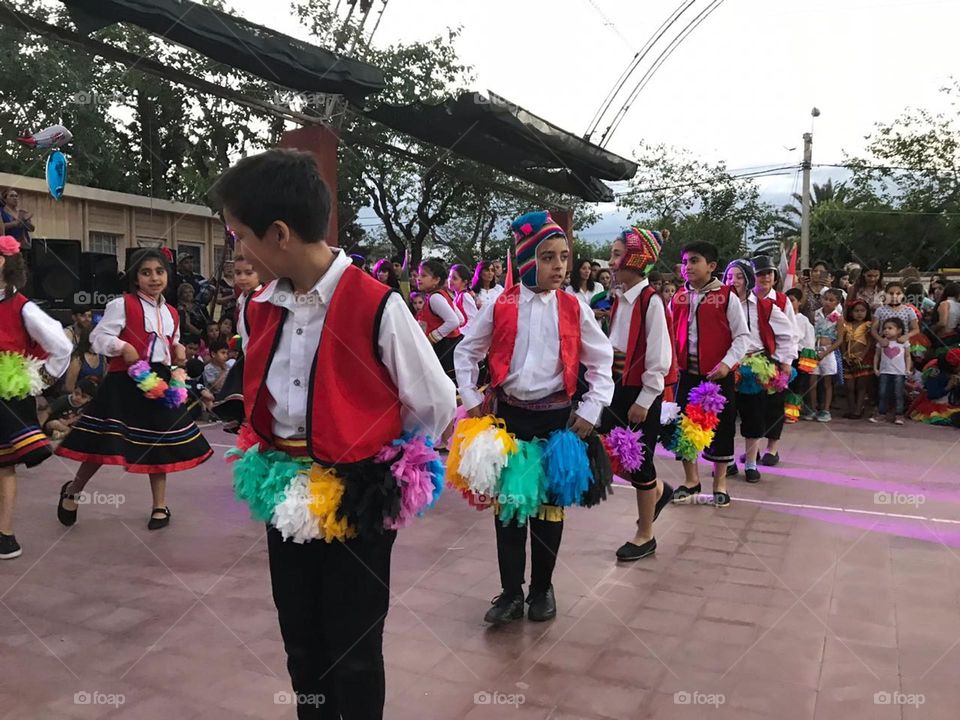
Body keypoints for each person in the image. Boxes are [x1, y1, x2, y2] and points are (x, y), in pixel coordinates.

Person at [212, 148, 456, 720]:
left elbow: (437, 402)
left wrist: (381, 461)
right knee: (301, 641)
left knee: (355, 648)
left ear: (277, 234)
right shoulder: (259, 307)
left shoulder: (377, 305)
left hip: (358, 496)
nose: (237, 251)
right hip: (283, 489)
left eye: (239, 236)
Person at [454, 210, 614, 625]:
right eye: (547, 257)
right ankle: (510, 592)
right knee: (509, 510)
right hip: (508, 420)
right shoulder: (499, 304)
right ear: (527, 260)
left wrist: (592, 407)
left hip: (556, 423)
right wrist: (471, 398)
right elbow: (466, 350)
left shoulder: (574, 306)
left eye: (563, 256)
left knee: (548, 511)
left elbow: (602, 360)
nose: (559, 266)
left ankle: (542, 589)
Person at [55, 249, 213, 530]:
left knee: (159, 443)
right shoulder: (122, 305)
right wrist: (123, 347)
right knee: (103, 444)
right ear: (135, 278)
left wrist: (176, 349)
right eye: (146, 272)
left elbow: (170, 341)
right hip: (124, 382)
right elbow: (98, 337)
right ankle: (74, 489)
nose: (154, 278)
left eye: (159, 271)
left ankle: (159, 506)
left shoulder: (172, 312)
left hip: (160, 382)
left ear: (168, 275)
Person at [602, 228, 675, 560]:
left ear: (635, 259)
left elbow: (659, 358)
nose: (611, 262)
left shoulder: (651, 302)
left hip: (639, 393)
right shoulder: (622, 299)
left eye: (617, 254)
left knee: (640, 461)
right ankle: (660, 492)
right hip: (617, 388)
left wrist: (645, 400)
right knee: (612, 452)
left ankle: (645, 535)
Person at [0, 235, 72, 559]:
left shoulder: (23, 307)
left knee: (3, 466)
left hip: (6, 395)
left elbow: (62, 346)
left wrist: (38, 379)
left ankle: (5, 535)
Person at [670, 241, 749, 508]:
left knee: (721, 428)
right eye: (685, 261)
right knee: (685, 430)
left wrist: (727, 364)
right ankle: (691, 480)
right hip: (686, 375)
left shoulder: (726, 297)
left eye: (694, 261)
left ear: (712, 266)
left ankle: (720, 483)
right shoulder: (678, 297)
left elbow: (742, 337)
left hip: (717, 376)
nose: (687, 267)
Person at [722, 259, 795, 483]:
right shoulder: (718, 304)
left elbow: (788, 334)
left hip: (755, 367)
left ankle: (752, 463)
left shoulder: (765, 306)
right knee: (725, 417)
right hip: (726, 366)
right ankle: (727, 460)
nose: (734, 281)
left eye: (740, 277)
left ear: (748, 280)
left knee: (753, 416)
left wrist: (785, 361)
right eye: (729, 277)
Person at [749, 254, 799, 465]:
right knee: (753, 407)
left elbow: (791, 333)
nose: (765, 277)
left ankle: (772, 448)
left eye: (768, 273)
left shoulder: (781, 300)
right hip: (752, 360)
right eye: (760, 273)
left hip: (776, 359)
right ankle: (753, 450)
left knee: (774, 405)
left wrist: (787, 361)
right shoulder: (744, 298)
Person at [416, 258, 463, 379]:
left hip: (443, 347)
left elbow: (454, 321)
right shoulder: (443, 295)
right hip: (451, 345)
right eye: (418, 275)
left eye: (424, 275)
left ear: (436, 280)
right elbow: (461, 319)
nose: (418, 279)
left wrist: (433, 337)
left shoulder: (435, 298)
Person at [807, 288, 845, 422]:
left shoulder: (838, 318)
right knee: (812, 380)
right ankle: (812, 408)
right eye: (825, 299)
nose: (827, 302)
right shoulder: (815, 314)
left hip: (828, 351)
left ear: (837, 303)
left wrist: (826, 352)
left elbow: (840, 339)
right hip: (814, 349)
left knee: (827, 382)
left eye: (831, 300)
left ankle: (826, 409)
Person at [871, 317, 912, 424]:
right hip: (885, 371)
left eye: (890, 328)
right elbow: (877, 356)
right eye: (885, 328)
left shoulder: (904, 342)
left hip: (899, 372)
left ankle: (899, 415)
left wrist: (907, 369)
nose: (886, 330)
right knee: (883, 393)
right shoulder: (882, 342)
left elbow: (907, 356)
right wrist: (875, 368)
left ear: (899, 330)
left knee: (898, 393)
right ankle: (881, 414)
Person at [786, 288, 816, 419]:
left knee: (796, 386)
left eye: (792, 300)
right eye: (787, 300)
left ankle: (792, 413)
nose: (789, 303)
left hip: (798, 356)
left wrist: (807, 362)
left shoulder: (802, 320)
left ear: (799, 303)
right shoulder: (782, 317)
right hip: (784, 356)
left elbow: (809, 341)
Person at [841, 300, 873, 419]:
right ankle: (851, 409)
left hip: (863, 359)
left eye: (862, 311)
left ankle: (858, 410)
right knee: (849, 387)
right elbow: (843, 341)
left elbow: (870, 342)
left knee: (861, 386)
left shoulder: (868, 325)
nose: (859, 313)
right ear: (851, 312)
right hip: (848, 358)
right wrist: (845, 354)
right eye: (856, 311)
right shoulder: (846, 325)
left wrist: (863, 355)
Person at [871, 281, 919, 348]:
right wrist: (880, 339)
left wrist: (907, 336)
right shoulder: (880, 310)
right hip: (884, 345)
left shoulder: (908, 310)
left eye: (898, 293)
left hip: (903, 345)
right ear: (885, 294)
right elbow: (874, 329)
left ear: (903, 295)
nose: (894, 296)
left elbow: (916, 329)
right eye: (891, 293)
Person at [63, 326, 107, 392]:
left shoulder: (102, 357)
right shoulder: (77, 359)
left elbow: (103, 381)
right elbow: (69, 387)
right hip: (77, 397)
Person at [448, 263, 478, 330]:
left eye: (454, 278)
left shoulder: (465, 296)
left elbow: (474, 319)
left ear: (464, 282)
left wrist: (460, 333)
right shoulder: (457, 297)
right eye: (449, 277)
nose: (450, 280)